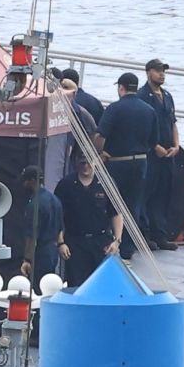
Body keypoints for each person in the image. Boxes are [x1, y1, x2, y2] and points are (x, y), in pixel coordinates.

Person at [96, 72, 158, 259]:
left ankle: (111, 242)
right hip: (140, 162)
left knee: (112, 203)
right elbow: (154, 140)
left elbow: (101, 135)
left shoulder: (114, 109)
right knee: (133, 205)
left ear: (120, 88)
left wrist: (99, 153)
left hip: (116, 162)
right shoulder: (149, 110)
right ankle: (128, 249)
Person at [54, 154, 123, 286]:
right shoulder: (66, 184)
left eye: (89, 162)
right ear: (75, 162)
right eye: (82, 162)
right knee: (77, 285)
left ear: (96, 161)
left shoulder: (106, 183)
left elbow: (116, 213)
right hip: (75, 242)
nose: (86, 166)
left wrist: (117, 241)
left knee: (103, 284)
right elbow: (58, 216)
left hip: (101, 241)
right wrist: (60, 243)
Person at [137, 59, 180, 251]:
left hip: (168, 153)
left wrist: (176, 145)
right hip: (151, 154)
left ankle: (160, 234)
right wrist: (155, 146)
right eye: (157, 71)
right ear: (148, 72)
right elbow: (142, 127)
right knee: (147, 193)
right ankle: (144, 234)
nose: (161, 74)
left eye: (163, 71)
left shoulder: (168, 96)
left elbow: (172, 122)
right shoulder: (142, 96)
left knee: (163, 194)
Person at [18, 166, 64, 284]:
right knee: (48, 285)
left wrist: (27, 260)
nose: (24, 184)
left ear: (33, 180)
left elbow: (32, 236)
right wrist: (60, 243)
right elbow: (60, 227)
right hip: (53, 252)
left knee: (36, 287)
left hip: (40, 253)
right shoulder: (55, 200)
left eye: (26, 181)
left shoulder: (34, 205)